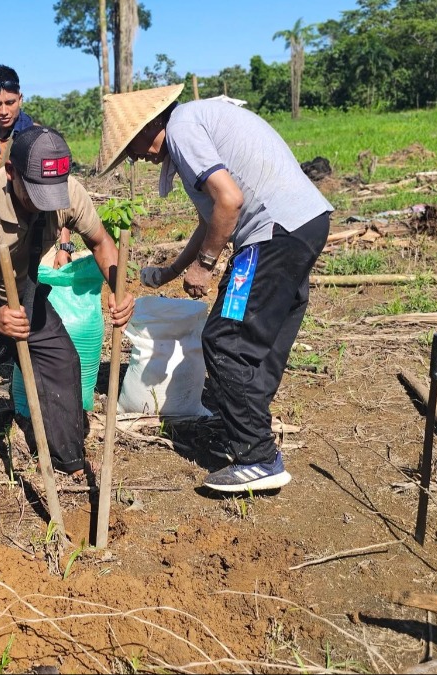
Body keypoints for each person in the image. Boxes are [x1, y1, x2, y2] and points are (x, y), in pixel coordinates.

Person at [97, 84, 333, 494]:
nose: (133, 158)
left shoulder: (184, 129)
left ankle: (257, 456)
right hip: (302, 224)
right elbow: (211, 221)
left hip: (272, 233)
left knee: (225, 339)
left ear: (149, 124)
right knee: (265, 339)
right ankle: (246, 434)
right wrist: (173, 270)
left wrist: (206, 266)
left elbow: (229, 201)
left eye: (129, 147)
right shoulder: (195, 123)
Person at [0, 125, 134, 541]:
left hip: (24, 290)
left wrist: (118, 289)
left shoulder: (67, 191)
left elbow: (101, 242)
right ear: (12, 174)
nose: (45, 204)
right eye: (35, 192)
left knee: (62, 359)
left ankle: (65, 451)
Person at [0, 66, 77, 268]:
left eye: (10, 102)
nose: (3, 111)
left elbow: (58, 193)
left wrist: (64, 247)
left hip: (38, 234)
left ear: (20, 99)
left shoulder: (40, 139)